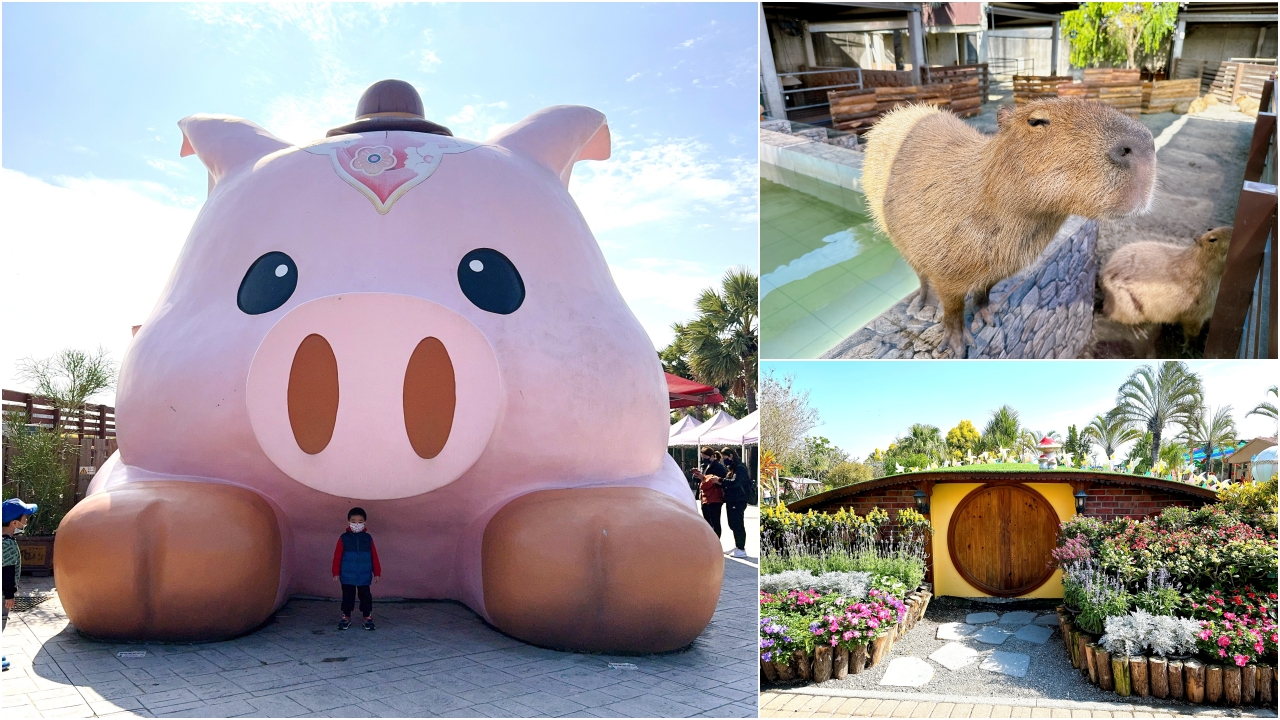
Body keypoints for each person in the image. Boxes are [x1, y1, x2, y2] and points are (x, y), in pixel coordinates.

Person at [331, 507, 381, 631]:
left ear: (364, 522)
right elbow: (337, 556)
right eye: (353, 521)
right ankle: (346, 616)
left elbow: (374, 556)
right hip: (347, 575)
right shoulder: (344, 538)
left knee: (366, 597)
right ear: (348, 521)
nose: (356, 524)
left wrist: (377, 572)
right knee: (348, 596)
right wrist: (336, 572)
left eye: (360, 521)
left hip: (364, 575)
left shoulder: (368, 538)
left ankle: (367, 617)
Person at [3, 498, 38, 672]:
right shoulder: (7, 544)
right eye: (25, 518)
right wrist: (9, 594)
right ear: (15, 522)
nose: (26, 521)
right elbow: (7, 572)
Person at [721, 449, 752, 559]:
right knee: (733, 523)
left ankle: (741, 548)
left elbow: (735, 482)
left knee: (738, 523)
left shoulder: (740, 468)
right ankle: (737, 546)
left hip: (738, 499)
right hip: (732, 499)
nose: (724, 461)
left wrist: (720, 480)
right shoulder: (733, 468)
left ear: (730, 456)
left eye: (725, 458)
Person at [692, 448, 727, 537]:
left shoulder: (719, 467)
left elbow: (721, 481)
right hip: (705, 497)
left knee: (715, 521)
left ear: (712, 456)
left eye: (705, 457)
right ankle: (710, 540)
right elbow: (701, 480)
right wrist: (697, 475)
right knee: (707, 521)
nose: (704, 459)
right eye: (702, 457)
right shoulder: (705, 466)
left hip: (715, 497)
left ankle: (716, 541)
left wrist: (705, 478)